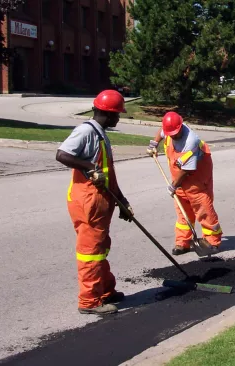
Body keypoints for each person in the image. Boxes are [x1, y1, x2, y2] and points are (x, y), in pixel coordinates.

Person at [56, 89, 133, 315]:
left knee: (100, 249)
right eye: (118, 114)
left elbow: (108, 174)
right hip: (88, 203)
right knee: (91, 252)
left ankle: (106, 290)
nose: (119, 118)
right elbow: (61, 155)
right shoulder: (86, 132)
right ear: (108, 114)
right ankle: (89, 301)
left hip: (100, 201)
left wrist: (122, 201)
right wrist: (90, 168)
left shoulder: (100, 133)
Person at [146, 112, 222, 256]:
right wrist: (154, 143)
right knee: (182, 211)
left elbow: (186, 170)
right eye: (170, 134)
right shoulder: (169, 128)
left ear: (180, 127)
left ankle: (213, 241)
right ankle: (183, 242)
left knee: (203, 209)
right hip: (179, 178)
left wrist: (173, 186)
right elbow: (162, 133)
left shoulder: (190, 141)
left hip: (196, 178)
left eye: (175, 133)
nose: (172, 136)